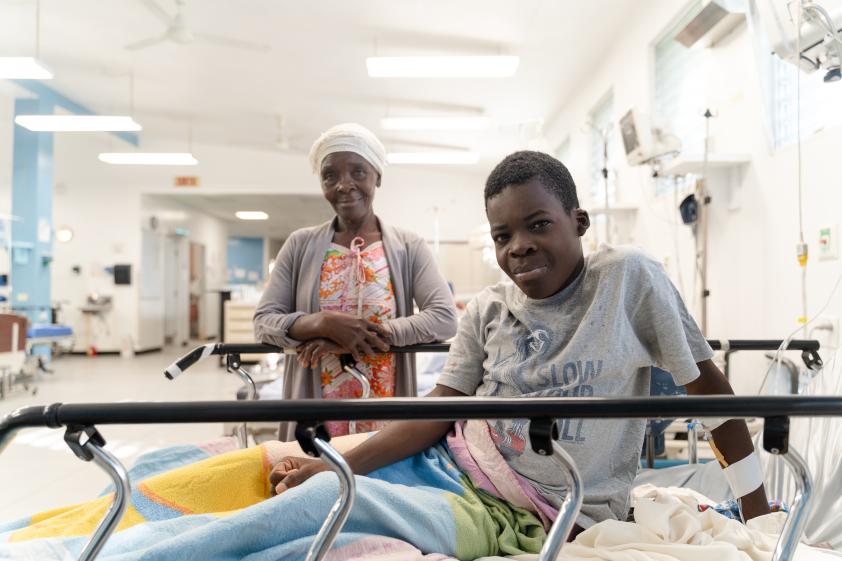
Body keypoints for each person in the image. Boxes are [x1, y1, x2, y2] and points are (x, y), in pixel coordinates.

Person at [269, 151, 771, 532]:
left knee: (311, 519)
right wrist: (334, 465)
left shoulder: (626, 280)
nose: (519, 246)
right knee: (278, 476)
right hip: (460, 465)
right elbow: (439, 410)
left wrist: (757, 511)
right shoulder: (489, 308)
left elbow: (709, 390)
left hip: (543, 505)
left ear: (578, 223)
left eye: (538, 225)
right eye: (502, 236)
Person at [254, 123, 458, 440]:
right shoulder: (299, 245)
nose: (344, 185)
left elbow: (445, 318)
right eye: (330, 175)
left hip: (385, 412)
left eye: (358, 172)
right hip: (317, 414)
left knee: (379, 484)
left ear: (377, 176)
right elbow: (264, 322)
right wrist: (321, 322)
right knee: (314, 482)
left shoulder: (408, 245)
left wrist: (360, 337)